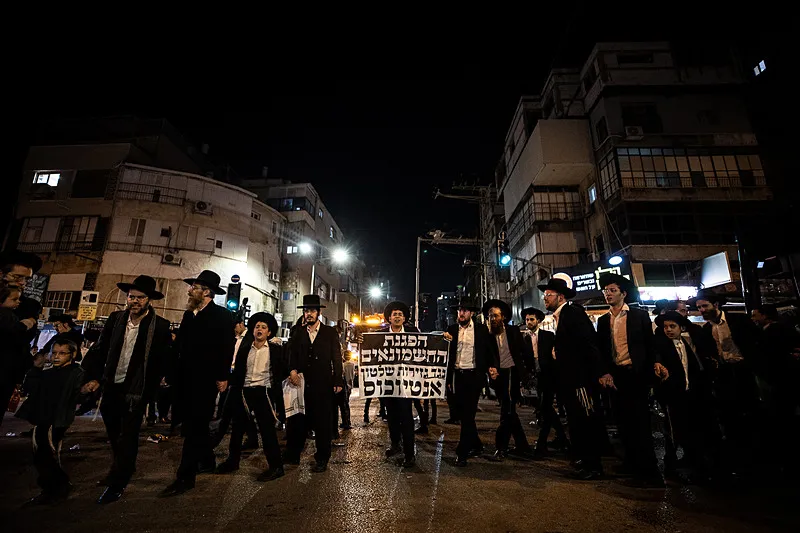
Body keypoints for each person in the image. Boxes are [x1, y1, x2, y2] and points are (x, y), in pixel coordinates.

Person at [81, 275, 172, 504]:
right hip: (112, 385)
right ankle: (121, 468)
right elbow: (100, 350)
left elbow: (162, 359)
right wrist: (93, 377)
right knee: (113, 432)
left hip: (137, 390)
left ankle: (118, 482)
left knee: (128, 436)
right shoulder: (115, 319)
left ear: (149, 300)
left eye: (140, 298)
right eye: (132, 297)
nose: (135, 301)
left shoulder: (159, 326)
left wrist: (159, 382)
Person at [161, 270, 234, 497]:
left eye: (194, 287)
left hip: (205, 381)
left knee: (194, 427)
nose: (189, 290)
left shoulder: (221, 316)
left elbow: (226, 348)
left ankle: (185, 477)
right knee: (196, 426)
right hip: (185, 380)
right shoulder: (188, 315)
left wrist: (223, 376)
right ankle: (207, 460)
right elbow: (179, 347)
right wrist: (169, 373)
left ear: (206, 291)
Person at [596, 273, 666, 488]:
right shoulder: (602, 320)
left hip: (636, 374)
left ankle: (650, 471)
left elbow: (650, 343)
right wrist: (605, 373)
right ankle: (631, 464)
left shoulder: (638, 316)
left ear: (623, 294)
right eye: (606, 291)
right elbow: (602, 351)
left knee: (640, 423)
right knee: (622, 422)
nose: (608, 294)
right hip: (616, 377)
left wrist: (656, 362)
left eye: (612, 290)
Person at [539, 278, 606, 480]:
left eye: (548, 295)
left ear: (560, 296)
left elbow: (588, 344)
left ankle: (593, 466)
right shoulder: (559, 317)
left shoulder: (573, 313)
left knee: (586, 420)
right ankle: (583, 460)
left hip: (581, 380)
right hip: (568, 379)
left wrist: (600, 372)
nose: (545, 299)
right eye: (544, 295)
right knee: (575, 421)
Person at [690, 290, 760, 472]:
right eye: (699, 307)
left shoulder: (738, 321)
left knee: (751, 408)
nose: (702, 310)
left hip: (744, 369)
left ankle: (755, 451)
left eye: (704, 306)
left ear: (716, 305)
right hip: (724, 373)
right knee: (729, 411)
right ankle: (737, 451)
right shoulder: (706, 329)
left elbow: (756, 343)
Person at [216, 312, 285, 481]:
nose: (259, 330)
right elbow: (238, 371)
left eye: (263, 327)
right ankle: (233, 461)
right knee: (237, 429)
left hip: (264, 392)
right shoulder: (245, 349)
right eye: (257, 327)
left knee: (267, 431)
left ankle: (276, 467)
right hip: (244, 391)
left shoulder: (276, 350)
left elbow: (281, 371)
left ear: (269, 332)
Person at [15, 339, 85, 505]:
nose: (56, 357)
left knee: (45, 454)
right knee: (41, 453)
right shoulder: (48, 371)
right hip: (43, 417)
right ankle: (57, 485)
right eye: (54, 353)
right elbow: (32, 388)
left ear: (72, 355)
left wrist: (86, 390)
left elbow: (78, 394)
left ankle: (54, 488)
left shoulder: (76, 373)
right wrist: (35, 368)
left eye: (62, 353)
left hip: (56, 419)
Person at [654, 311, 718, 481]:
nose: (668, 330)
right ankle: (671, 467)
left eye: (672, 326)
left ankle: (693, 462)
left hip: (689, 394)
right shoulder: (660, 346)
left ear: (680, 328)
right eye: (665, 327)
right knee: (672, 432)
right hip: (672, 396)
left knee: (690, 429)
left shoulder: (687, 343)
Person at [285, 295, 343, 473]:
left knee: (322, 422)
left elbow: (336, 357)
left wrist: (338, 379)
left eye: (311, 311)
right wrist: (292, 370)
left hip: (323, 382)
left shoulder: (330, 332)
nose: (308, 314)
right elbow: (291, 354)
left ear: (318, 313)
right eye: (306, 310)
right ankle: (293, 454)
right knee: (299, 419)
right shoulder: (298, 332)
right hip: (301, 383)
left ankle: (322, 457)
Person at [443, 297, 498, 467]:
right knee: (461, 414)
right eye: (460, 310)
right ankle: (477, 444)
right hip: (456, 376)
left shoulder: (481, 330)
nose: (461, 313)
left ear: (472, 313)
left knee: (468, 414)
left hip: (474, 376)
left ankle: (462, 452)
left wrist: (492, 367)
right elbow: (444, 353)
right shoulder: (451, 329)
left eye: (465, 310)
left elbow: (490, 351)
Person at [482, 299, 534, 462]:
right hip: (498, 376)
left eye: (496, 316)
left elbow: (525, 353)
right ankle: (523, 446)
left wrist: (527, 373)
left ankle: (501, 447)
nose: (492, 319)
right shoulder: (487, 335)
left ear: (503, 317)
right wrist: (490, 368)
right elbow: (486, 357)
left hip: (512, 373)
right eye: (490, 316)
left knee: (507, 410)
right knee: (510, 411)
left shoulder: (512, 331)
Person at [751, 304, 800, 476]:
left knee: (783, 417)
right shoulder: (783, 329)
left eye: (755, 315)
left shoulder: (773, 332)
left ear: (765, 316)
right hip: (785, 380)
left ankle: (787, 460)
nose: (753, 319)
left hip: (780, 381)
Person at [0, 250, 43, 422]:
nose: (23, 283)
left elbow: (23, 337)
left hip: (5, 374)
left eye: (26, 279)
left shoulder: (29, 305)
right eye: (17, 277)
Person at [521, 307, 569, 457]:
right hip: (535, 377)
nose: (529, 322)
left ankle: (543, 443)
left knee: (545, 407)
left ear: (539, 321)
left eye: (532, 319)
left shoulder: (548, 336)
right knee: (546, 409)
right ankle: (562, 439)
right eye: (527, 320)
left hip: (549, 376)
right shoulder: (524, 339)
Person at [380, 301, 419, 468]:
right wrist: (361, 339)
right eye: (394, 314)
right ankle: (395, 444)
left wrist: (443, 339)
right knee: (392, 417)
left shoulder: (413, 332)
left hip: (406, 385)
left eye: (400, 314)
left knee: (407, 418)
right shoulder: (378, 334)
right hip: (387, 384)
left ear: (404, 319)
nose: (397, 316)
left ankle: (410, 454)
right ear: (389, 318)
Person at [210, 317, 258, 450]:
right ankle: (251, 439)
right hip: (233, 376)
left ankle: (214, 443)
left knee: (232, 413)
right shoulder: (235, 338)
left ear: (241, 324)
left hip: (241, 380)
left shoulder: (249, 338)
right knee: (237, 413)